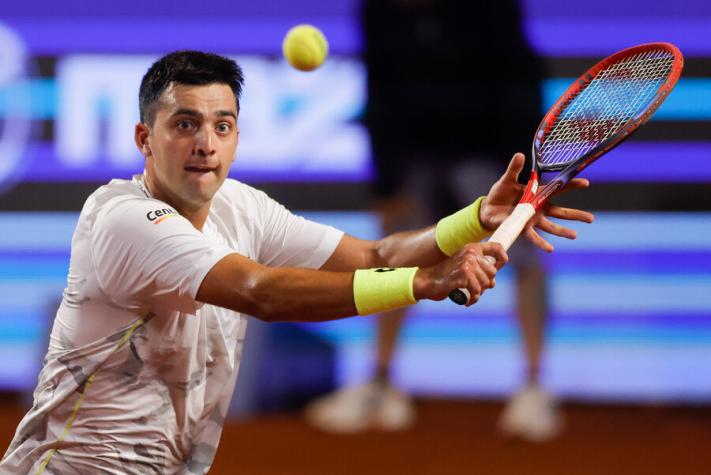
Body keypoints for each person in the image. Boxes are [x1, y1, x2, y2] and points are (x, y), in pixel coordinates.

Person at [0, 51, 591, 473]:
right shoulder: (124, 218)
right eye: (185, 124)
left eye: (221, 125)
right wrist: (426, 283)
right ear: (143, 139)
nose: (205, 142)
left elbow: (373, 253)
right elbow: (259, 291)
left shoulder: (241, 206)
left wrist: (476, 218)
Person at [305, 0, 559, 441]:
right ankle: (380, 384)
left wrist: (527, 175)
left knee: (526, 262)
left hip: (492, 157)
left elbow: (519, 77)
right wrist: (386, 183)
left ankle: (534, 389)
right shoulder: (378, 10)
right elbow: (380, 85)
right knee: (389, 261)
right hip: (414, 157)